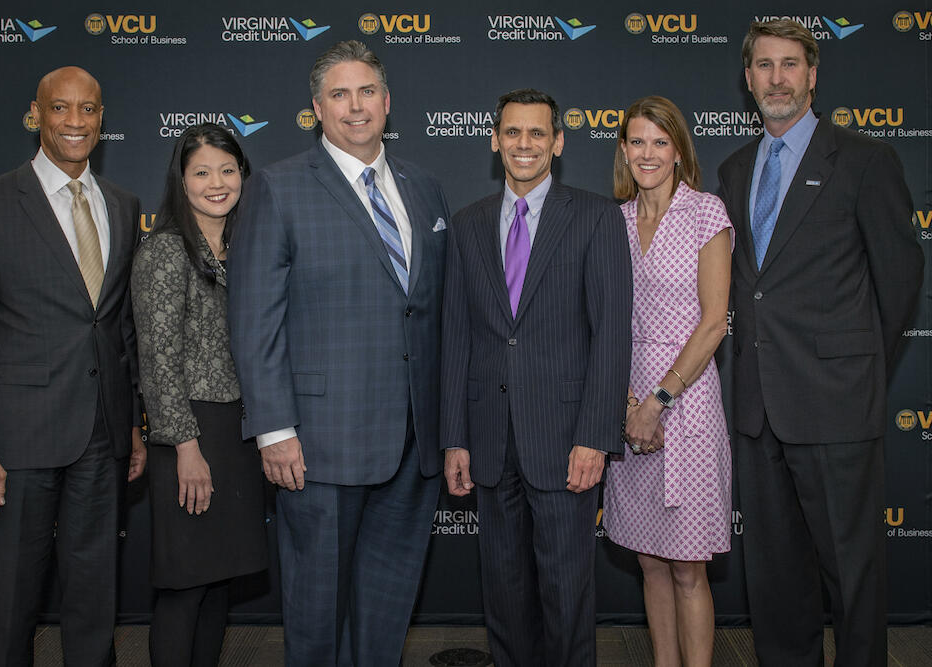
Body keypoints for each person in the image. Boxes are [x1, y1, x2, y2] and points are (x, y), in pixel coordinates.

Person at [227, 40, 449, 666]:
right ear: (317, 109)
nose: (356, 106)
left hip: (413, 442)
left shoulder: (424, 188)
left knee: (387, 607)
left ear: (388, 101)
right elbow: (254, 320)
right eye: (340, 94)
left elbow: (430, 313)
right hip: (318, 444)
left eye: (367, 91)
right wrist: (274, 431)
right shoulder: (277, 188)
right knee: (317, 611)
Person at [717, 19, 923, 666]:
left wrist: (853, 369)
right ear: (748, 78)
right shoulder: (734, 169)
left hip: (836, 404)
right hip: (757, 409)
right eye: (764, 65)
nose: (777, 78)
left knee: (853, 575)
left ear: (812, 74)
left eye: (790, 64)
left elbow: (899, 281)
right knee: (775, 580)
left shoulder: (864, 160)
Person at [0, 66, 145, 666]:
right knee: (12, 602)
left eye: (88, 109)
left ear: (102, 118)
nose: (75, 122)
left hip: (102, 434)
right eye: (61, 108)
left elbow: (119, 328)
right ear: (36, 115)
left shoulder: (123, 204)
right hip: (17, 441)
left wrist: (132, 422)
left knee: (94, 599)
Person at [441, 88, 632, 667]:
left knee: (567, 595)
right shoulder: (468, 224)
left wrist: (595, 435)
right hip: (489, 441)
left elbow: (611, 335)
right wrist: (455, 437)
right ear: (494, 141)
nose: (524, 144)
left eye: (537, 133)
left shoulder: (596, 217)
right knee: (503, 595)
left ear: (558, 142)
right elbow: (457, 336)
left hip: (566, 439)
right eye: (513, 133)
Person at [603, 95, 732, 667]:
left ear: (679, 150)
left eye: (660, 141)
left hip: (687, 400)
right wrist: (628, 403)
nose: (648, 153)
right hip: (627, 398)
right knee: (649, 560)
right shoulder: (615, 222)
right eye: (637, 141)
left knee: (686, 567)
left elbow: (714, 323)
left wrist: (656, 403)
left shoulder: (706, 212)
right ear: (623, 150)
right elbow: (605, 319)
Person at [131, 123, 267, 667]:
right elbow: (157, 360)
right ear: (181, 181)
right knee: (185, 584)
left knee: (218, 582)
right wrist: (186, 448)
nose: (217, 183)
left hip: (237, 434)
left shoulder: (245, 249)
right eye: (202, 172)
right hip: (190, 434)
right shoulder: (166, 251)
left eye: (228, 170)